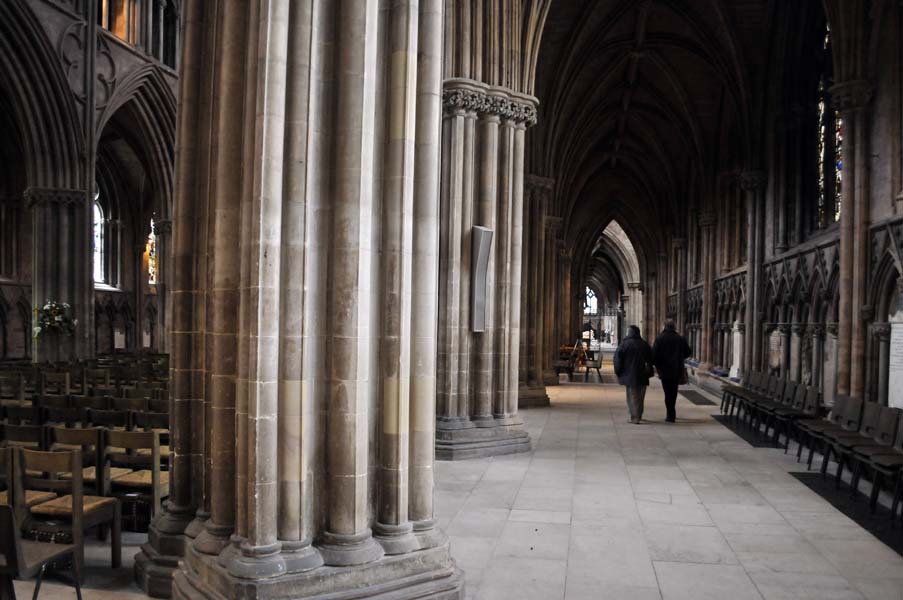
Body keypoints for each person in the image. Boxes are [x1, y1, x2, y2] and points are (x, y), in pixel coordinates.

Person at [653, 319, 692, 423]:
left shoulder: (660, 338)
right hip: (676, 369)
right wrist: (679, 357)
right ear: (674, 327)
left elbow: (654, 355)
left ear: (664, 327)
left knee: (667, 392)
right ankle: (671, 413)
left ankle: (670, 414)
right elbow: (688, 352)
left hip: (664, 370)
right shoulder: (679, 338)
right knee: (673, 392)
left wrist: (658, 365)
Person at [614, 325, 654, 424]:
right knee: (640, 396)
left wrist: (618, 372)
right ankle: (639, 415)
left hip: (629, 375)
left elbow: (617, 360)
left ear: (629, 333)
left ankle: (635, 417)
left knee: (632, 396)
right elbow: (651, 359)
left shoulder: (624, 345)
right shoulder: (645, 344)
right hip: (643, 374)